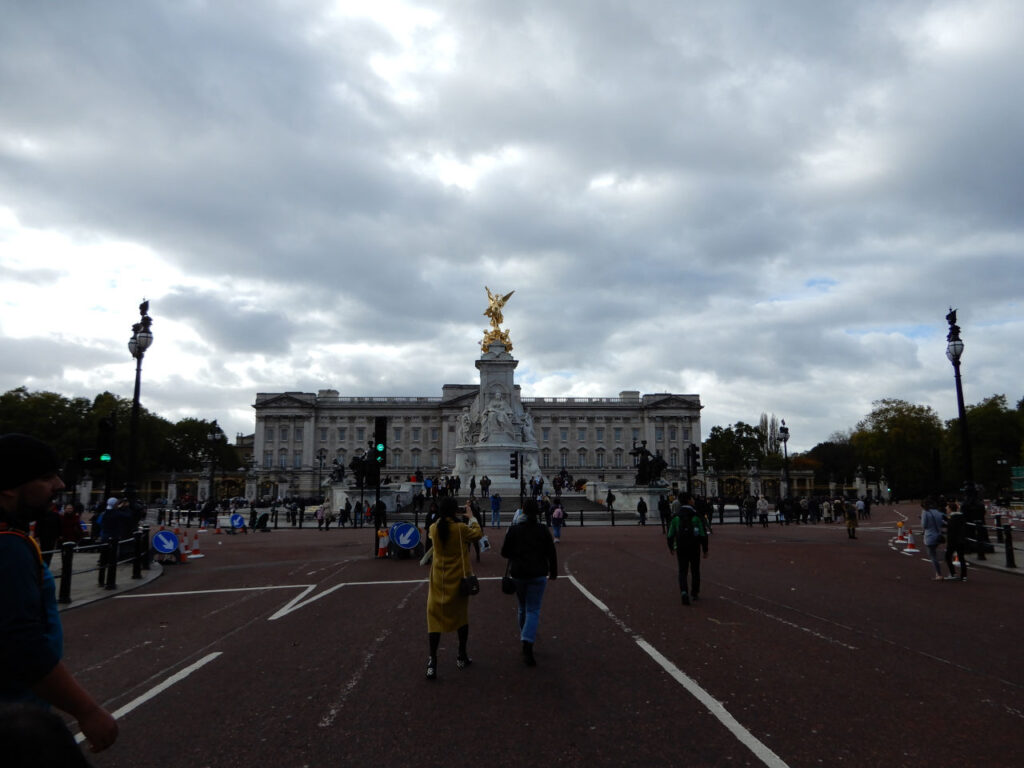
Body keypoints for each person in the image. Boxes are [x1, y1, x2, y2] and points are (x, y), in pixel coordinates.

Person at [0, 433, 119, 752]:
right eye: (45, 477)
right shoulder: (9, 544)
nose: (60, 484)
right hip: (14, 715)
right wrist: (87, 710)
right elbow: (22, 645)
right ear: (9, 486)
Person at [425, 497, 482, 680]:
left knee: (434, 621)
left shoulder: (434, 528)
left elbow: (434, 533)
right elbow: (477, 533)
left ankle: (432, 661)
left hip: (438, 581)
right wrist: (470, 516)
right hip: (458, 580)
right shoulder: (460, 529)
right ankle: (461, 655)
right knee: (461, 618)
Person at [500, 499, 558, 667]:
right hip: (538, 573)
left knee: (522, 608)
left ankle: (525, 637)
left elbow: (505, 552)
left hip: (518, 574)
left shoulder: (514, 529)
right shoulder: (542, 529)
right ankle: (527, 641)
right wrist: (553, 572)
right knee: (533, 609)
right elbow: (551, 552)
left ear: (523, 512)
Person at [666, 493, 709, 605]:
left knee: (682, 571)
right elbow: (703, 534)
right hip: (694, 546)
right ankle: (694, 592)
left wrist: (671, 547)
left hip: (681, 546)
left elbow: (670, 534)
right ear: (689, 500)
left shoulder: (676, 517)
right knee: (695, 570)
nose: (693, 500)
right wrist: (705, 549)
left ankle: (684, 592)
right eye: (692, 498)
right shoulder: (696, 516)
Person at [920, 497, 945, 580]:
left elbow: (924, 525)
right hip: (938, 535)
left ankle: (939, 574)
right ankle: (938, 573)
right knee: (934, 553)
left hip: (929, 536)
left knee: (933, 556)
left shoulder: (925, 512)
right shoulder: (938, 512)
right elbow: (942, 523)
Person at [945, 500, 967, 581]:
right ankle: (964, 576)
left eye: (947, 508)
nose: (946, 510)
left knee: (947, 557)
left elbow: (951, 532)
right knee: (961, 558)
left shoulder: (952, 518)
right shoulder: (961, 517)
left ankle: (953, 573)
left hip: (953, 541)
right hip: (961, 540)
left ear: (951, 509)